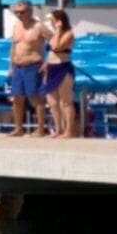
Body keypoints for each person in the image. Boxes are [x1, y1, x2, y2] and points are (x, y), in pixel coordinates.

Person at [2, 3, 48, 136]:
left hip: (33, 65)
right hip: (18, 66)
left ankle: (40, 129)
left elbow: (54, 42)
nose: (18, 15)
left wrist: (48, 61)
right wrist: (10, 66)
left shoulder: (38, 26)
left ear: (30, 11)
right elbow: (14, 46)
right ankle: (18, 128)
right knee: (17, 98)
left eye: (21, 12)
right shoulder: (16, 26)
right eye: (16, 12)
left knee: (35, 98)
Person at [43, 8, 80, 140]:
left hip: (63, 67)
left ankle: (69, 131)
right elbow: (50, 51)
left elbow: (57, 47)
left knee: (66, 101)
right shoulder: (54, 34)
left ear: (59, 20)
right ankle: (58, 129)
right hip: (52, 67)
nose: (51, 23)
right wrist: (46, 66)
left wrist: (58, 30)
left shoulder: (68, 33)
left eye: (52, 20)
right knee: (52, 102)